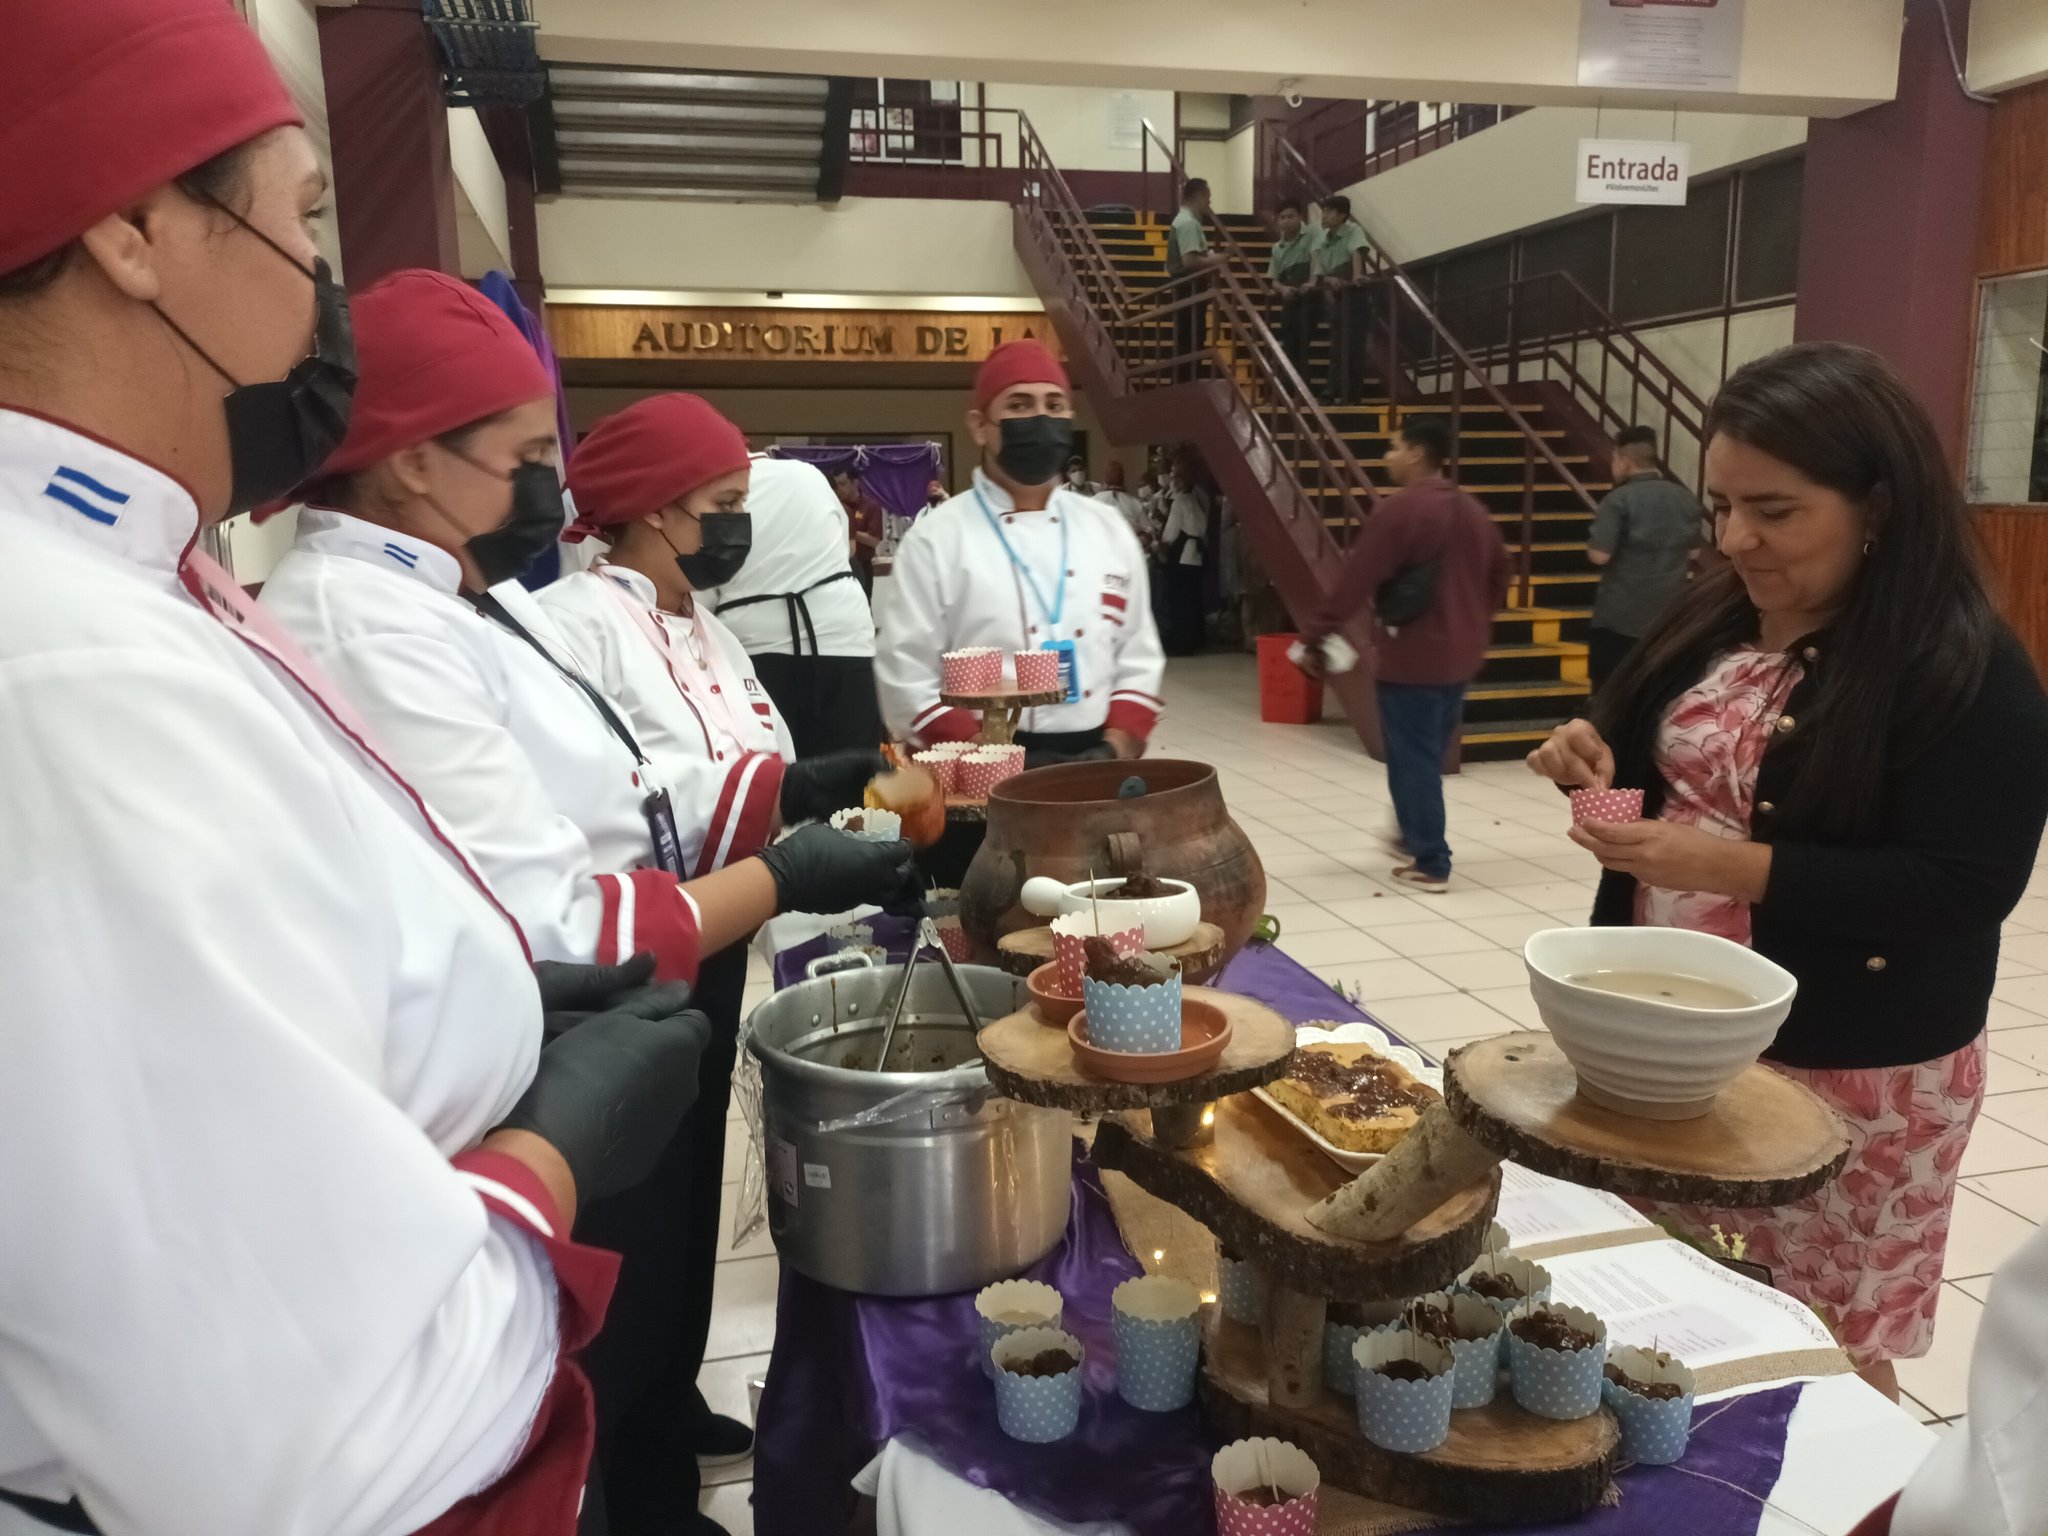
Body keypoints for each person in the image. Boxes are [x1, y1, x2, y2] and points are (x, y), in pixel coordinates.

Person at [0, 5, 712, 1532]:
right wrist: (548, 1154)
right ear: (132, 232)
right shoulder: (66, 664)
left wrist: (496, 1011)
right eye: (306, 216)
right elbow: (314, 1450)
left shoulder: (134, 572)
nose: (329, 284)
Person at [258, 271, 912, 1536]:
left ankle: (660, 1461)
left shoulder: (447, 597)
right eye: (516, 456)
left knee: (658, 1264)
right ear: (406, 462)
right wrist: (783, 869)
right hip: (558, 1007)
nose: (542, 492)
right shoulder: (365, 615)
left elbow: (621, 784)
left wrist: (785, 790)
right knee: (605, 1292)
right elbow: (543, 907)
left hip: (645, 943)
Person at [1526, 342, 2048, 1401]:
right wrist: (1587, 765)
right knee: (1675, 1304)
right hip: (1668, 1034)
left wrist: (1729, 864)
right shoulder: (1712, 616)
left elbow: (1956, 890)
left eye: (1773, 510)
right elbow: (1646, 761)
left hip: (1853, 1064)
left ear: (1877, 508)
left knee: (1826, 1335)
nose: (1734, 539)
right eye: (1720, 505)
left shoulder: (1962, 667)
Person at [536, 392, 889, 1533]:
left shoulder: (706, 621)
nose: (737, 527)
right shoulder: (574, 624)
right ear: (647, 508)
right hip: (636, 945)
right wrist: (789, 801)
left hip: (718, 926)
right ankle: (638, 1480)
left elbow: (757, 749)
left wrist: (824, 779)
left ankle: (669, 1396)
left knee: (692, 1194)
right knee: (635, 1211)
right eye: (721, 505)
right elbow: (632, 794)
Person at [877, 339, 1164, 767]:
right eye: (1019, 405)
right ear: (979, 426)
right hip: (972, 759)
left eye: (1054, 404)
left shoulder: (1106, 528)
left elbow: (1137, 654)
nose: (1040, 418)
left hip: (1096, 755)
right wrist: (990, 761)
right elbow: (906, 673)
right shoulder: (937, 537)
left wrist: (1112, 749)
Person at [1303, 415, 1507, 891]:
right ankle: (1408, 831)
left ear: (1417, 452)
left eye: (1394, 447)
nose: (1387, 456)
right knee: (1427, 754)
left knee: (1413, 760)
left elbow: (1357, 580)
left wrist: (1316, 634)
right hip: (1460, 656)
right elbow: (1501, 572)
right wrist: (1475, 621)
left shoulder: (1401, 512)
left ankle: (1432, 861)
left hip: (1413, 659)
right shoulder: (1472, 511)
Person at [704, 453, 882, 758]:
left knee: (776, 779)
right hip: (842, 635)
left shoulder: (709, 493)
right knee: (853, 777)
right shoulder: (807, 474)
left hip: (754, 644)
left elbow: (705, 586)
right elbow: (843, 548)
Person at [1585, 424, 1705, 689]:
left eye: (1614, 459)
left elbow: (1599, 556)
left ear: (1626, 461)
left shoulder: (1618, 500)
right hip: (1668, 615)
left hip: (1620, 617)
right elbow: (1694, 551)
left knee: (1609, 693)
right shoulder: (1685, 498)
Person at [1312, 195, 1373, 403]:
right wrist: (1330, 280)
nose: (1325, 216)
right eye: (1324, 212)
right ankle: (1331, 391)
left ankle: (1353, 395)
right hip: (1338, 296)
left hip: (1355, 295)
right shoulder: (1323, 239)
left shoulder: (1352, 230)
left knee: (1354, 347)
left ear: (1342, 215)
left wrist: (1356, 275)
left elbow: (1357, 251)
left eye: (1329, 212)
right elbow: (1320, 273)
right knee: (1337, 346)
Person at [1165, 177, 1223, 380]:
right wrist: (1217, 259)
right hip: (1189, 287)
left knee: (1188, 339)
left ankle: (1185, 381)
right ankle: (1187, 382)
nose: (1209, 203)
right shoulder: (1188, 223)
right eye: (1208, 198)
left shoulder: (1185, 221)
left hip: (1187, 288)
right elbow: (1189, 261)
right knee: (1190, 340)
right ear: (1198, 196)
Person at [1266, 197, 1321, 386]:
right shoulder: (1277, 247)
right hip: (1290, 296)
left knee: (1303, 340)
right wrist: (1283, 289)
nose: (1286, 221)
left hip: (1311, 296)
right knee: (1290, 341)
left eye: (1291, 216)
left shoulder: (1313, 232)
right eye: (1282, 217)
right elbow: (1273, 280)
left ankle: (1302, 386)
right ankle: (1291, 386)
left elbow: (1316, 256)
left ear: (1300, 216)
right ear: (1277, 220)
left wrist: (1312, 281)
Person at [1159, 462, 1211, 655]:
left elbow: (1170, 534)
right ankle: (1197, 640)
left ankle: (1183, 643)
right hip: (1195, 556)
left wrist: (1161, 546)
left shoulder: (1180, 502)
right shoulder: (1197, 500)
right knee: (1193, 600)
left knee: (1180, 602)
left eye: (1174, 478)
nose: (1172, 481)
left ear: (1181, 481)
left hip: (1182, 556)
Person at [831, 466, 885, 595]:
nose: (838, 488)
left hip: (861, 565)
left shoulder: (870, 506)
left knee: (863, 607)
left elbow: (874, 540)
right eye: (836, 484)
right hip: (837, 567)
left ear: (855, 483)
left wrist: (849, 530)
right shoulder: (834, 505)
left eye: (842, 484)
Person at [1095, 459, 1156, 550]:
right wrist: (1137, 542)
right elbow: (1149, 532)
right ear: (1123, 479)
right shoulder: (1135, 503)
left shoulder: (1093, 501)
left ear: (1105, 480)